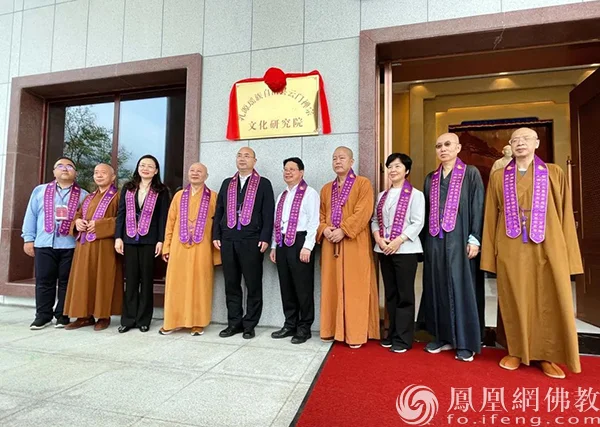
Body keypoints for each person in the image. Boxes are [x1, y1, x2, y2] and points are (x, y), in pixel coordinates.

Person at [481, 127, 583, 379]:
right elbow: (490, 217)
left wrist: (569, 254)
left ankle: (546, 354)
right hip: (511, 245)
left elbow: (565, 214)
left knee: (548, 297)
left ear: (536, 143)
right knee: (514, 295)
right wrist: (489, 254)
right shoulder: (498, 176)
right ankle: (516, 350)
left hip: (548, 245)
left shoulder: (553, 173)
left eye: (525, 139)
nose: (520, 143)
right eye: (515, 140)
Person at [421, 133, 485, 362]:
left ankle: (466, 342)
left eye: (447, 144)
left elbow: (478, 207)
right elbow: (426, 211)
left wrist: (475, 238)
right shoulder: (431, 178)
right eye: (438, 146)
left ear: (458, 148)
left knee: (461, 287)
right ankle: (443, 336)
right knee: (437, 286)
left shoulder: (470, 174)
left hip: (460, 241)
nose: (443, 149)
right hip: (435, 241)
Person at [318, 146, 380, 349]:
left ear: (351, 162)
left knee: (356, 288)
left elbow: (364, 212)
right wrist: (324, 229)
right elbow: (320, 214)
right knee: (331, 286)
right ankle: (330, 330)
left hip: (354, 242)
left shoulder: (363, 184)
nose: (337, 161)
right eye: (334, 158)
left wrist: (344, 230)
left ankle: (355, 334)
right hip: (331, 244)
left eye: (342, 158)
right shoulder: (327, 188)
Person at [212, 147, 274, 339]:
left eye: (247, 156)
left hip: (252, 240)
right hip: (228, 239)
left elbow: (268, 213)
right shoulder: (227, 183)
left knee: (253, 283)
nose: (242, 159)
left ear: (255, 161)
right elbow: (219, 210)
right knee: (231, 283)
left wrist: (265, 237)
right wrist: (216, 235)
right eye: (239, 155)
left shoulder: (263, 183)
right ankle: (234, 323)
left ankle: (250, 324)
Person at [22, 157, 88, 330]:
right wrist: (28, 238)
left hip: (70, 244)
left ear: (75, 173)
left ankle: (63, 315)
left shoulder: (83, 195)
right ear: (54, 172)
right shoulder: (40, 191)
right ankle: (42, 316)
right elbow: (31, 215)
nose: (65, 169)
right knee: (44, 281)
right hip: (44, 242)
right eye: (60, 166)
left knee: (67, 282)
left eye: (69, 166)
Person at [371, 153, 425, 353]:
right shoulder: (381, 196)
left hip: (405, 250)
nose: (393, 170)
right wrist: (378, 237)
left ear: (407, 171)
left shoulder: (416, 195)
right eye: (390, 167)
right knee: (390, 294)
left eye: (397, 166)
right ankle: (391, 333)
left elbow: (417, 222)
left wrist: (398, 240)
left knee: (405, 295)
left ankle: (403, 339)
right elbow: (375, 220)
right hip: (384, 249)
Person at [159, 163, 220, 336]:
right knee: (176, 284)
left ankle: (198, 322)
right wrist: (167, 246)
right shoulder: (178, 196)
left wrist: (216, 252)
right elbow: (170, 222)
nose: (195, 174)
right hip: (179, 248)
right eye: (192, 170)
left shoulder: (213, 197)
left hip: (202, 248)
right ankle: (173, 321)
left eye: (199, 171)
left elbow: (217, 226)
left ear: (206, 176)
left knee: (201, 284)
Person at [115, 155, 169, 333]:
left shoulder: (161, 190)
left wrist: (161, 240)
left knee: (146, 281)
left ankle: (144, 319)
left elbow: (163, 217)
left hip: (150, 240)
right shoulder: (128, 188)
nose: (145, 168)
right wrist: (118, 237)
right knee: (130, 280)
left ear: (156, 170)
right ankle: (128, 319)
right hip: (129, 239)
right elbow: (121, 214)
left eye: (150, 166)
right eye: (142, 165)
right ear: (138, 168)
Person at [64, 164, 122, 331]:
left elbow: (123, 220)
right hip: (84, 246)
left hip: (105, 246)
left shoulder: (118, 197)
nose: (99, 175)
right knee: (83, 279)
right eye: (96, 172)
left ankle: (103, 316)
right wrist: (77, 222)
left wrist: (101, 225)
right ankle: (83, 316)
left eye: (104, 173)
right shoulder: (88, 197)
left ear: (113, 177)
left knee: (103, 279)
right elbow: (79, 214)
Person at [269, 157, 319, 344]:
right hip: (282, 243)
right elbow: (276, 223)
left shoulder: (310, 193)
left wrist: (308, 246)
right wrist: (274, 246)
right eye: (285, 169)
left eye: (292, 169)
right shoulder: (282, 195)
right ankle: (290, 324)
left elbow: (314, 222)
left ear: (301, 172)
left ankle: (304, 328)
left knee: (303, 287)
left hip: (300, 242)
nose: (287, 172)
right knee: (287, 286)